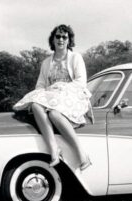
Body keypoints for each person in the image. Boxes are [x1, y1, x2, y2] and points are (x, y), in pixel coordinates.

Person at [13, 24, 92, 170]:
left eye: (64, 37)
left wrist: (61, 87)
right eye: (58, 36)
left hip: (73, 97)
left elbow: (81, 82)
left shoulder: (76, 58)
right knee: (36, 105)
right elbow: (40, 86)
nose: (61, 39)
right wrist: (47, 93)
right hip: (52, 98)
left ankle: (82, 154)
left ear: (69, 40)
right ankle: (54, 149)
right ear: (53, 39)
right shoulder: (46, 63)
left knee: (55, 114)